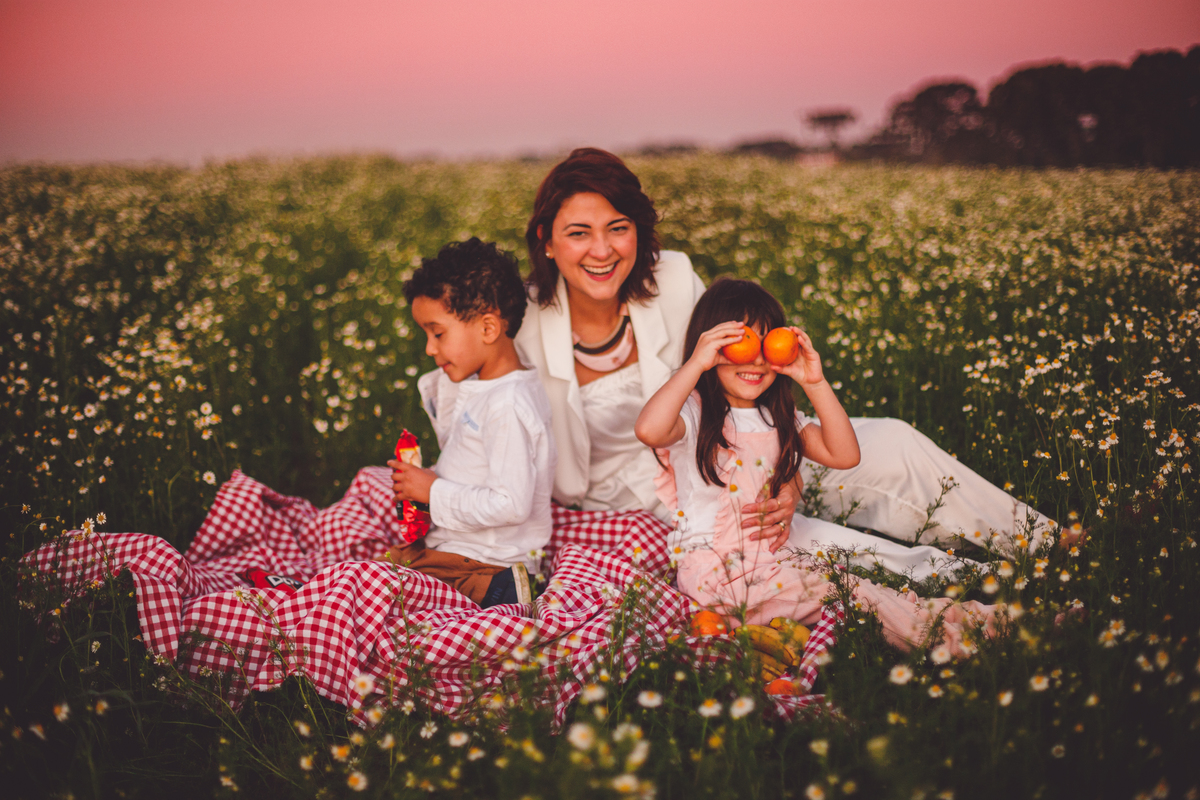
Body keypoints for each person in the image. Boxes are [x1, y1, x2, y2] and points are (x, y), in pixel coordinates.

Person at [515, 147, 1055, 581]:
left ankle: (1044, 542)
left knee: (892, 440)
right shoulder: (522, 321)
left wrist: (788, 482)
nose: (602, 250)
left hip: (736, 450)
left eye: (618, 227)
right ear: (547, 240)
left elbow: (740, 375)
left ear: (638, 230)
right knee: (827, 552)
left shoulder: (673, 276)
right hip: (646, 505)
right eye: (578, 233)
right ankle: (958, 581)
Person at [635, 279, 996, 655]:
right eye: (743, 344)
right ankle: (949, 642)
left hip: (769, 559)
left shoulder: (775, 416)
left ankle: (963, 617)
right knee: (846, 594)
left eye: (767, 345)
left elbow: (844, 455)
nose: (757, 360)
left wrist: (815, 382)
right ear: (712, 349)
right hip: (720, 577)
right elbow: (649, 429)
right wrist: (696, 364)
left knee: (860, 589)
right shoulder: (695, 412)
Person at [385, 238, 555, 608]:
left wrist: (433, 491)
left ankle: (503, 591)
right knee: (381, 570)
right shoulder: (487, 386)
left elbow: (511, 504)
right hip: (459, 548)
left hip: (484, 560)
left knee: (371, 587)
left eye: (438, 333)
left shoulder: (507, 404)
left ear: (488, 329)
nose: (429, 348)